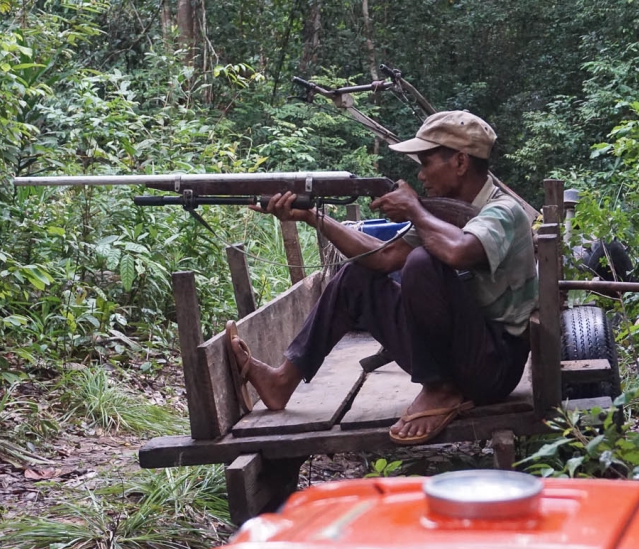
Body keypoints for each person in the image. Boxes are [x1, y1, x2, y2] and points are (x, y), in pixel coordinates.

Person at [226, 110, 538, 445]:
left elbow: (457, 252)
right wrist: (313, 217)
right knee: (354, 275)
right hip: (455, 354)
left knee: (421, 262)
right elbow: (382, 257)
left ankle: (441, 389)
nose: (420, 175)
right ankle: (281, 382)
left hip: (492, 367)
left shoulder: (504, 211)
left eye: (427, 163)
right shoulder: (440, 214)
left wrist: (414, 210)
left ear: (460, 162)